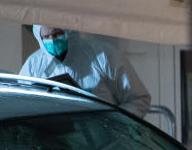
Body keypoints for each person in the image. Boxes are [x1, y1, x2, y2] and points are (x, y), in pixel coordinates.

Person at [20, 25, 151, 118]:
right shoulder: (33, 66)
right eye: (46, 36)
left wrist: (115, 124)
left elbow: (138, 99)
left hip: (105, 141)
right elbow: (21, 106)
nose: (52, 40)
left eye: (57, 34)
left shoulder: (102, 56)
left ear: (68, 31)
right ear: (39, 37)